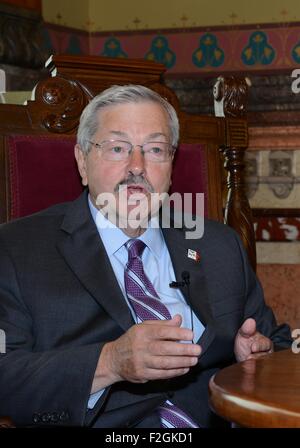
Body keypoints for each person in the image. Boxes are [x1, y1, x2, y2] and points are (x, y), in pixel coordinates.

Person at [0, 85, 291, 428]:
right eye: (117, 147)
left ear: (171, 164)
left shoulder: (218, 244)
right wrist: (110, 362)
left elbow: (276, 343)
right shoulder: (16, 248)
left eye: (154, 149)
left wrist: (259, 358)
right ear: (82, 160)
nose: (136, 166)